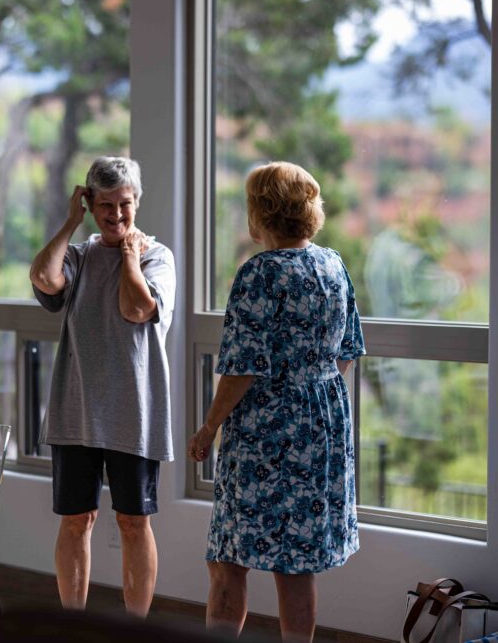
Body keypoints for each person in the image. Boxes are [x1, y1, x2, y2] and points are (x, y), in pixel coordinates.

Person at [188, 161, 365, 643]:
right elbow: (346, 352)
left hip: (266, 429)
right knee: (297, 564)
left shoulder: (260, 275)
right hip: (322, 421)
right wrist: (309, 387)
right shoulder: (333, 264)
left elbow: (243, 367)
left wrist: (209, 428)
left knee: (226, 558)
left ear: (260, 212)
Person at [30, 156, 176, 617]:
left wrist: (130, 256)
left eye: (125, 204)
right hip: (76, 410)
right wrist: (71, 222)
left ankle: (136, 628)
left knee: (134, 522)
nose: (116, 215)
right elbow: (43, 278)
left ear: (138, 202)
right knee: (77, 520)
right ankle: (73, 624)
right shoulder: (78, 254)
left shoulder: (157, 256)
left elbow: (137, 310)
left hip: (135, 412)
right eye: (105, 205)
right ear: (90, 204)